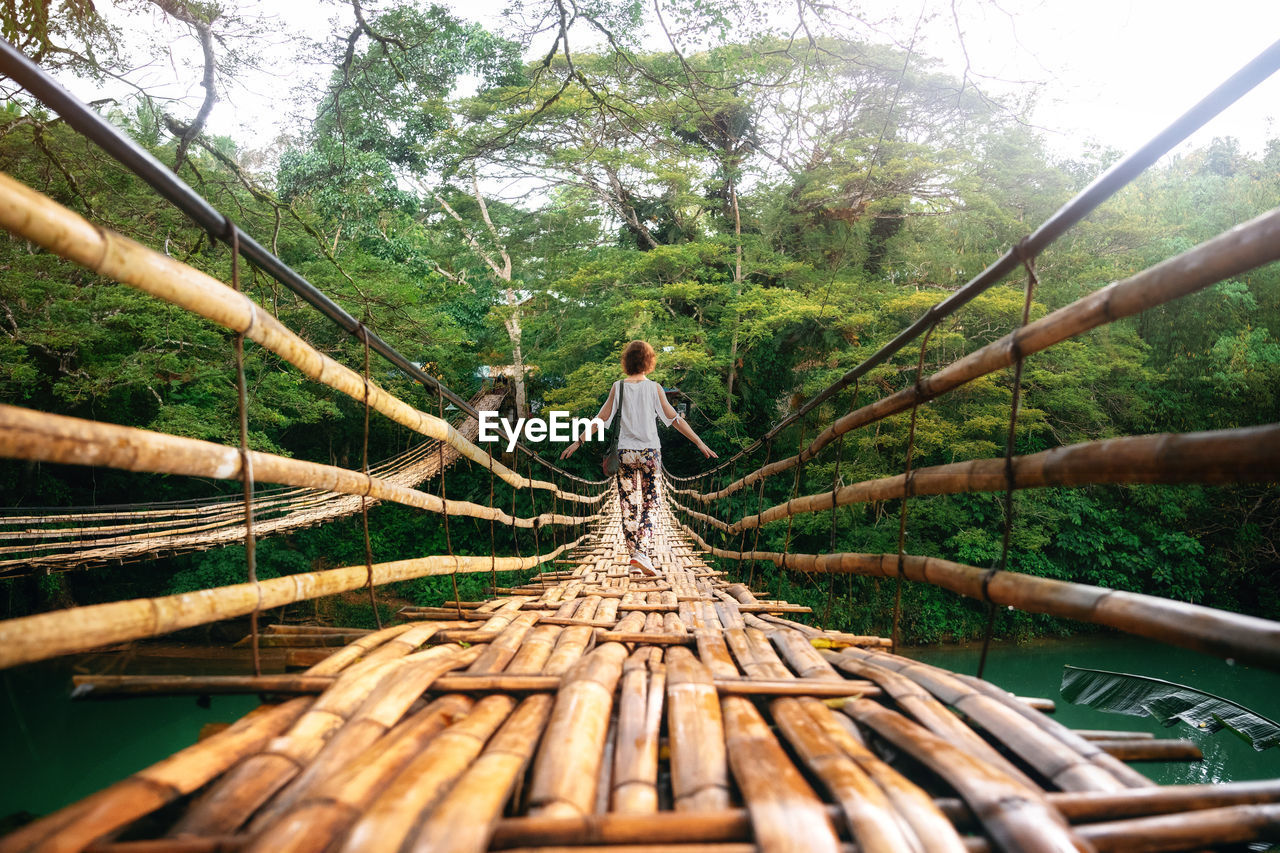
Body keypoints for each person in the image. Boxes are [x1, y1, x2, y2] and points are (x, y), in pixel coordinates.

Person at [560, 340, 717, 575]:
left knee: (628, 505)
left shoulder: (618, 387)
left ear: (626, 361)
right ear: (649, 361)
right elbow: (675, 419)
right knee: (651, 502)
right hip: (649, 453)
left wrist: (578, 441)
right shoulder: (654, 388)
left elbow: (600, 419)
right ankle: (642, 553)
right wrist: (699, 442)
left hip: (624, 453)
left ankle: (636, 557)